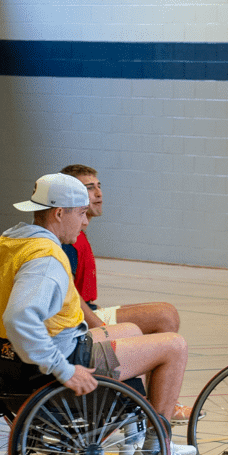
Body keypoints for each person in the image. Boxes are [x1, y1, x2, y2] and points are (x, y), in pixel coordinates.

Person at [0, 173, 207, 455]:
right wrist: (61, 368)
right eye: (82, 213)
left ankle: (134, 443)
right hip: (60, 362)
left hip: (14, 364)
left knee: (130, 330)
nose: (86, 221)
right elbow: (19, 317)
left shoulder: (2, 246)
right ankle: (156, 454)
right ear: (59, 213)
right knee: (174, 346)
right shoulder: (45, 258)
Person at [60, 164, 194, 425]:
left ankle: (154, 402)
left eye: (99, 186)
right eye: (89, 188)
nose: (98, 193)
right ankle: (157, 414)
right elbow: (70, 296)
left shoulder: (79, 233)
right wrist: (99, 326)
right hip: (82, 320)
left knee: (164, 313)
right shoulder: (68, 241)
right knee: (165, 323)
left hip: (88, 310)